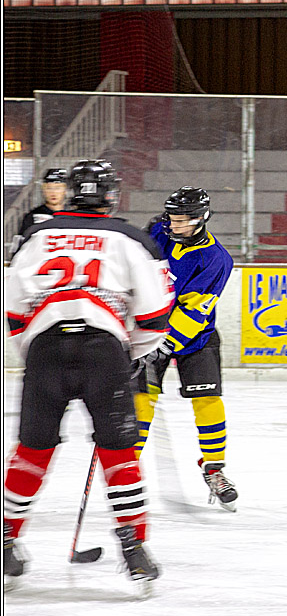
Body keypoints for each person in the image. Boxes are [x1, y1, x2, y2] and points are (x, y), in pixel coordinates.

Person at [3, 159, 173, 586]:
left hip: (45, 350)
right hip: (104, 353)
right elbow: (154, 316)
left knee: (32, 451)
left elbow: (13, 308)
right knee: (119, 453)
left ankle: (5, 541)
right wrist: (126, 353)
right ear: (111, 196)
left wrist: (39, 346)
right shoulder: (131, 239)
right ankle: (134, 549)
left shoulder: (37, 234)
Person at [132, 186, 238, 511]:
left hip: (195, 339)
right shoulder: (158, 233)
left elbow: (194, 310)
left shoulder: (217, 259)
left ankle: (214, 469)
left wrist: (162, 345)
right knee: (141, 399)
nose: (173, 226)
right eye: (171, 219)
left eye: (181, 221)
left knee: (207, 399)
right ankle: (126, 466)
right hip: (151, 331)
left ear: (201, 219)